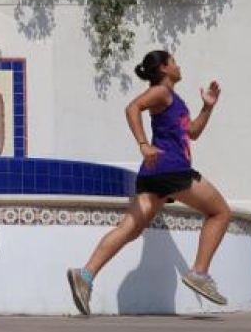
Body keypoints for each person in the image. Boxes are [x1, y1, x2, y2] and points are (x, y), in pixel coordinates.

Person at [66, 50, 231, 314]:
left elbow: (192, 132)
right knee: (220, 212)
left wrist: (207, 107)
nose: (179, 66)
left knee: (129, 229)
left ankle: (85, 275)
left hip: (153, 174)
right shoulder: (161, 92)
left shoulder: (173, 100)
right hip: (171, 168)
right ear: (164, 69)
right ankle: (199, 272)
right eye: (174, 62)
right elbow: (132, 107)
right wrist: (143, 144)